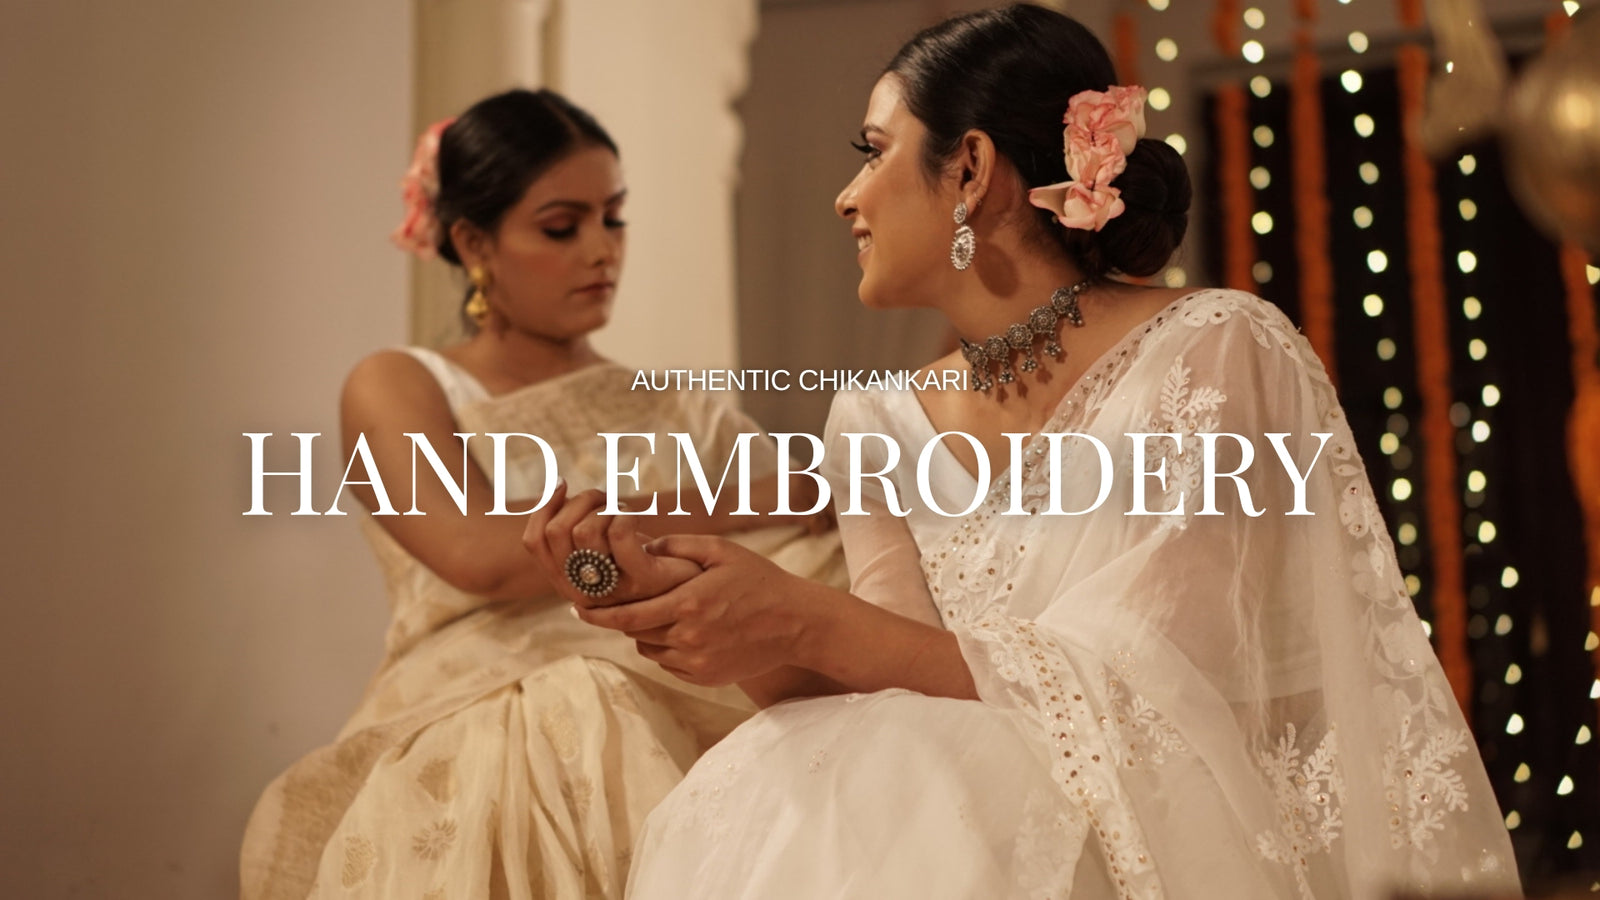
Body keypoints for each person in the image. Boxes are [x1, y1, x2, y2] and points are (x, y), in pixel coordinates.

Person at [524, 7, 1523, 899]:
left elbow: (1168, 680)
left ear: (968, 170)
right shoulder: (875, 418)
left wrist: (802, 617)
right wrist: (725, 626)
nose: (846, 196)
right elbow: (887, 690)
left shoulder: (1216, 345)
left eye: (873, 151)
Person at [239, 88, 844, 900]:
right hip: (476, 696)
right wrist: (747, 498)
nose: (602, 250)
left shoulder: (684, 410)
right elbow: (479, 554)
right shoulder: (404, 384)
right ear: (473, 242)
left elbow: (812, 536)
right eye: (562, 227)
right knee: (572, 710)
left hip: (697, 683)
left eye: (615, 217)